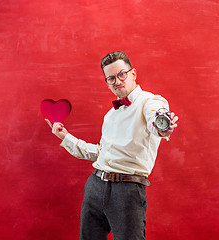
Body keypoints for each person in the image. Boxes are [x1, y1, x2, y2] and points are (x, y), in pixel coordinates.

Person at [45, 51, 178, 240]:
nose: (117, 81)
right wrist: (66, 137)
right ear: (106, 82)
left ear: (133, 74)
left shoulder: (150, 102)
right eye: (111, 78)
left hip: (127, 191)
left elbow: (157, 120)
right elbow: (101, 153)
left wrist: (162, 126)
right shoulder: (110, 116)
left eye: (122, 74)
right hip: (95, 186)